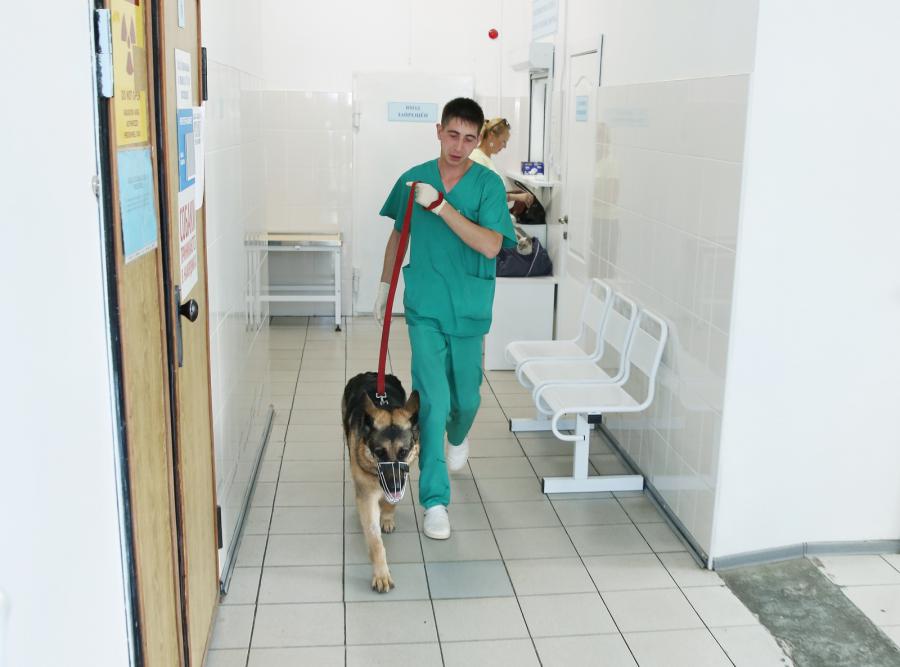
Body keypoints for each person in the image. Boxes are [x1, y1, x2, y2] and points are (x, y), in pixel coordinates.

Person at [374, 98, 516, 540]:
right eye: (452, 135)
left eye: (469, 138)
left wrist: (441, 207)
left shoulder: (488, 185)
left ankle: (459, 436)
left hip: (470, 305)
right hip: (426, 307)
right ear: (438, 131)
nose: (458, 146)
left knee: (466, 400)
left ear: (478, 140)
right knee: (433, 402)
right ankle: (435, 501)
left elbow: (492, 245)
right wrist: (384, 286)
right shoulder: (413, 180)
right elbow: (399, 234)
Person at [469, 117, 535, 210]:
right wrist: (515, 197)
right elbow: (482, 197)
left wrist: (513, 195)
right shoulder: (477, 158)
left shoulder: (485, 159)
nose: (505, 146)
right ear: (491, 136)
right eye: (504, 141)